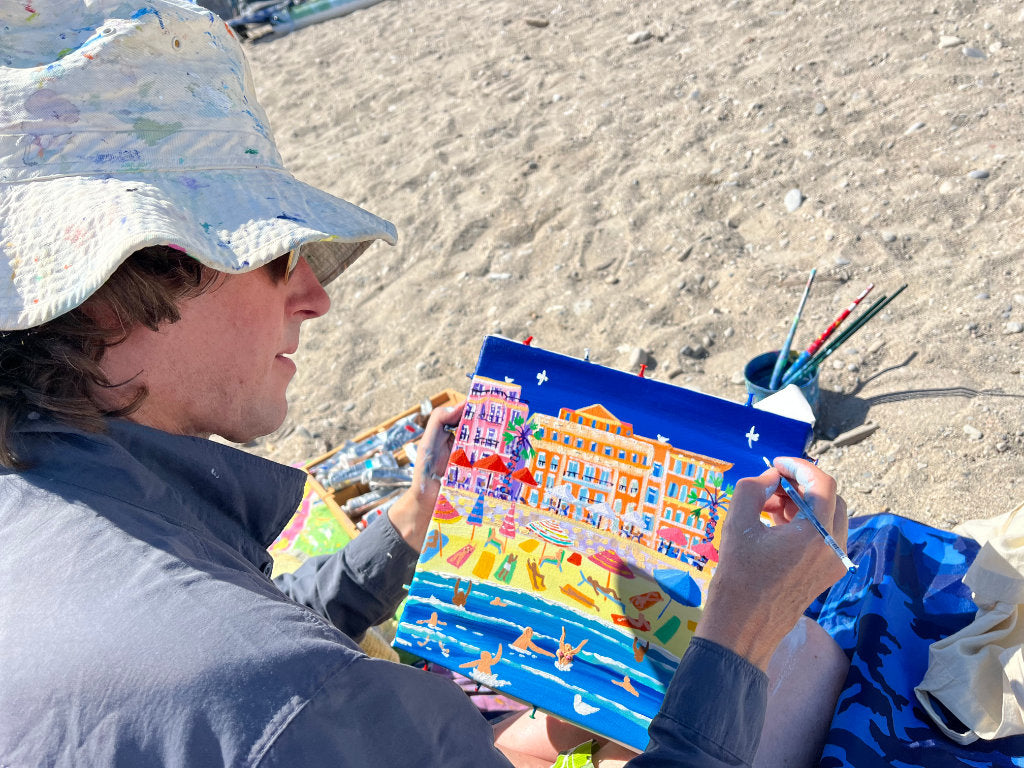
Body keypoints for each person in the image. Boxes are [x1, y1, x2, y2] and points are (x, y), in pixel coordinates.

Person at [0, 2, 850, 766]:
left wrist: (412, 516)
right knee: (801, 661)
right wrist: (739, 630)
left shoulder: (50, 500)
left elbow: (234, 617)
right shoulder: (285, 691)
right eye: (272, 256)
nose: (315, 295)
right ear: (113, 299)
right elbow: (261, 678)